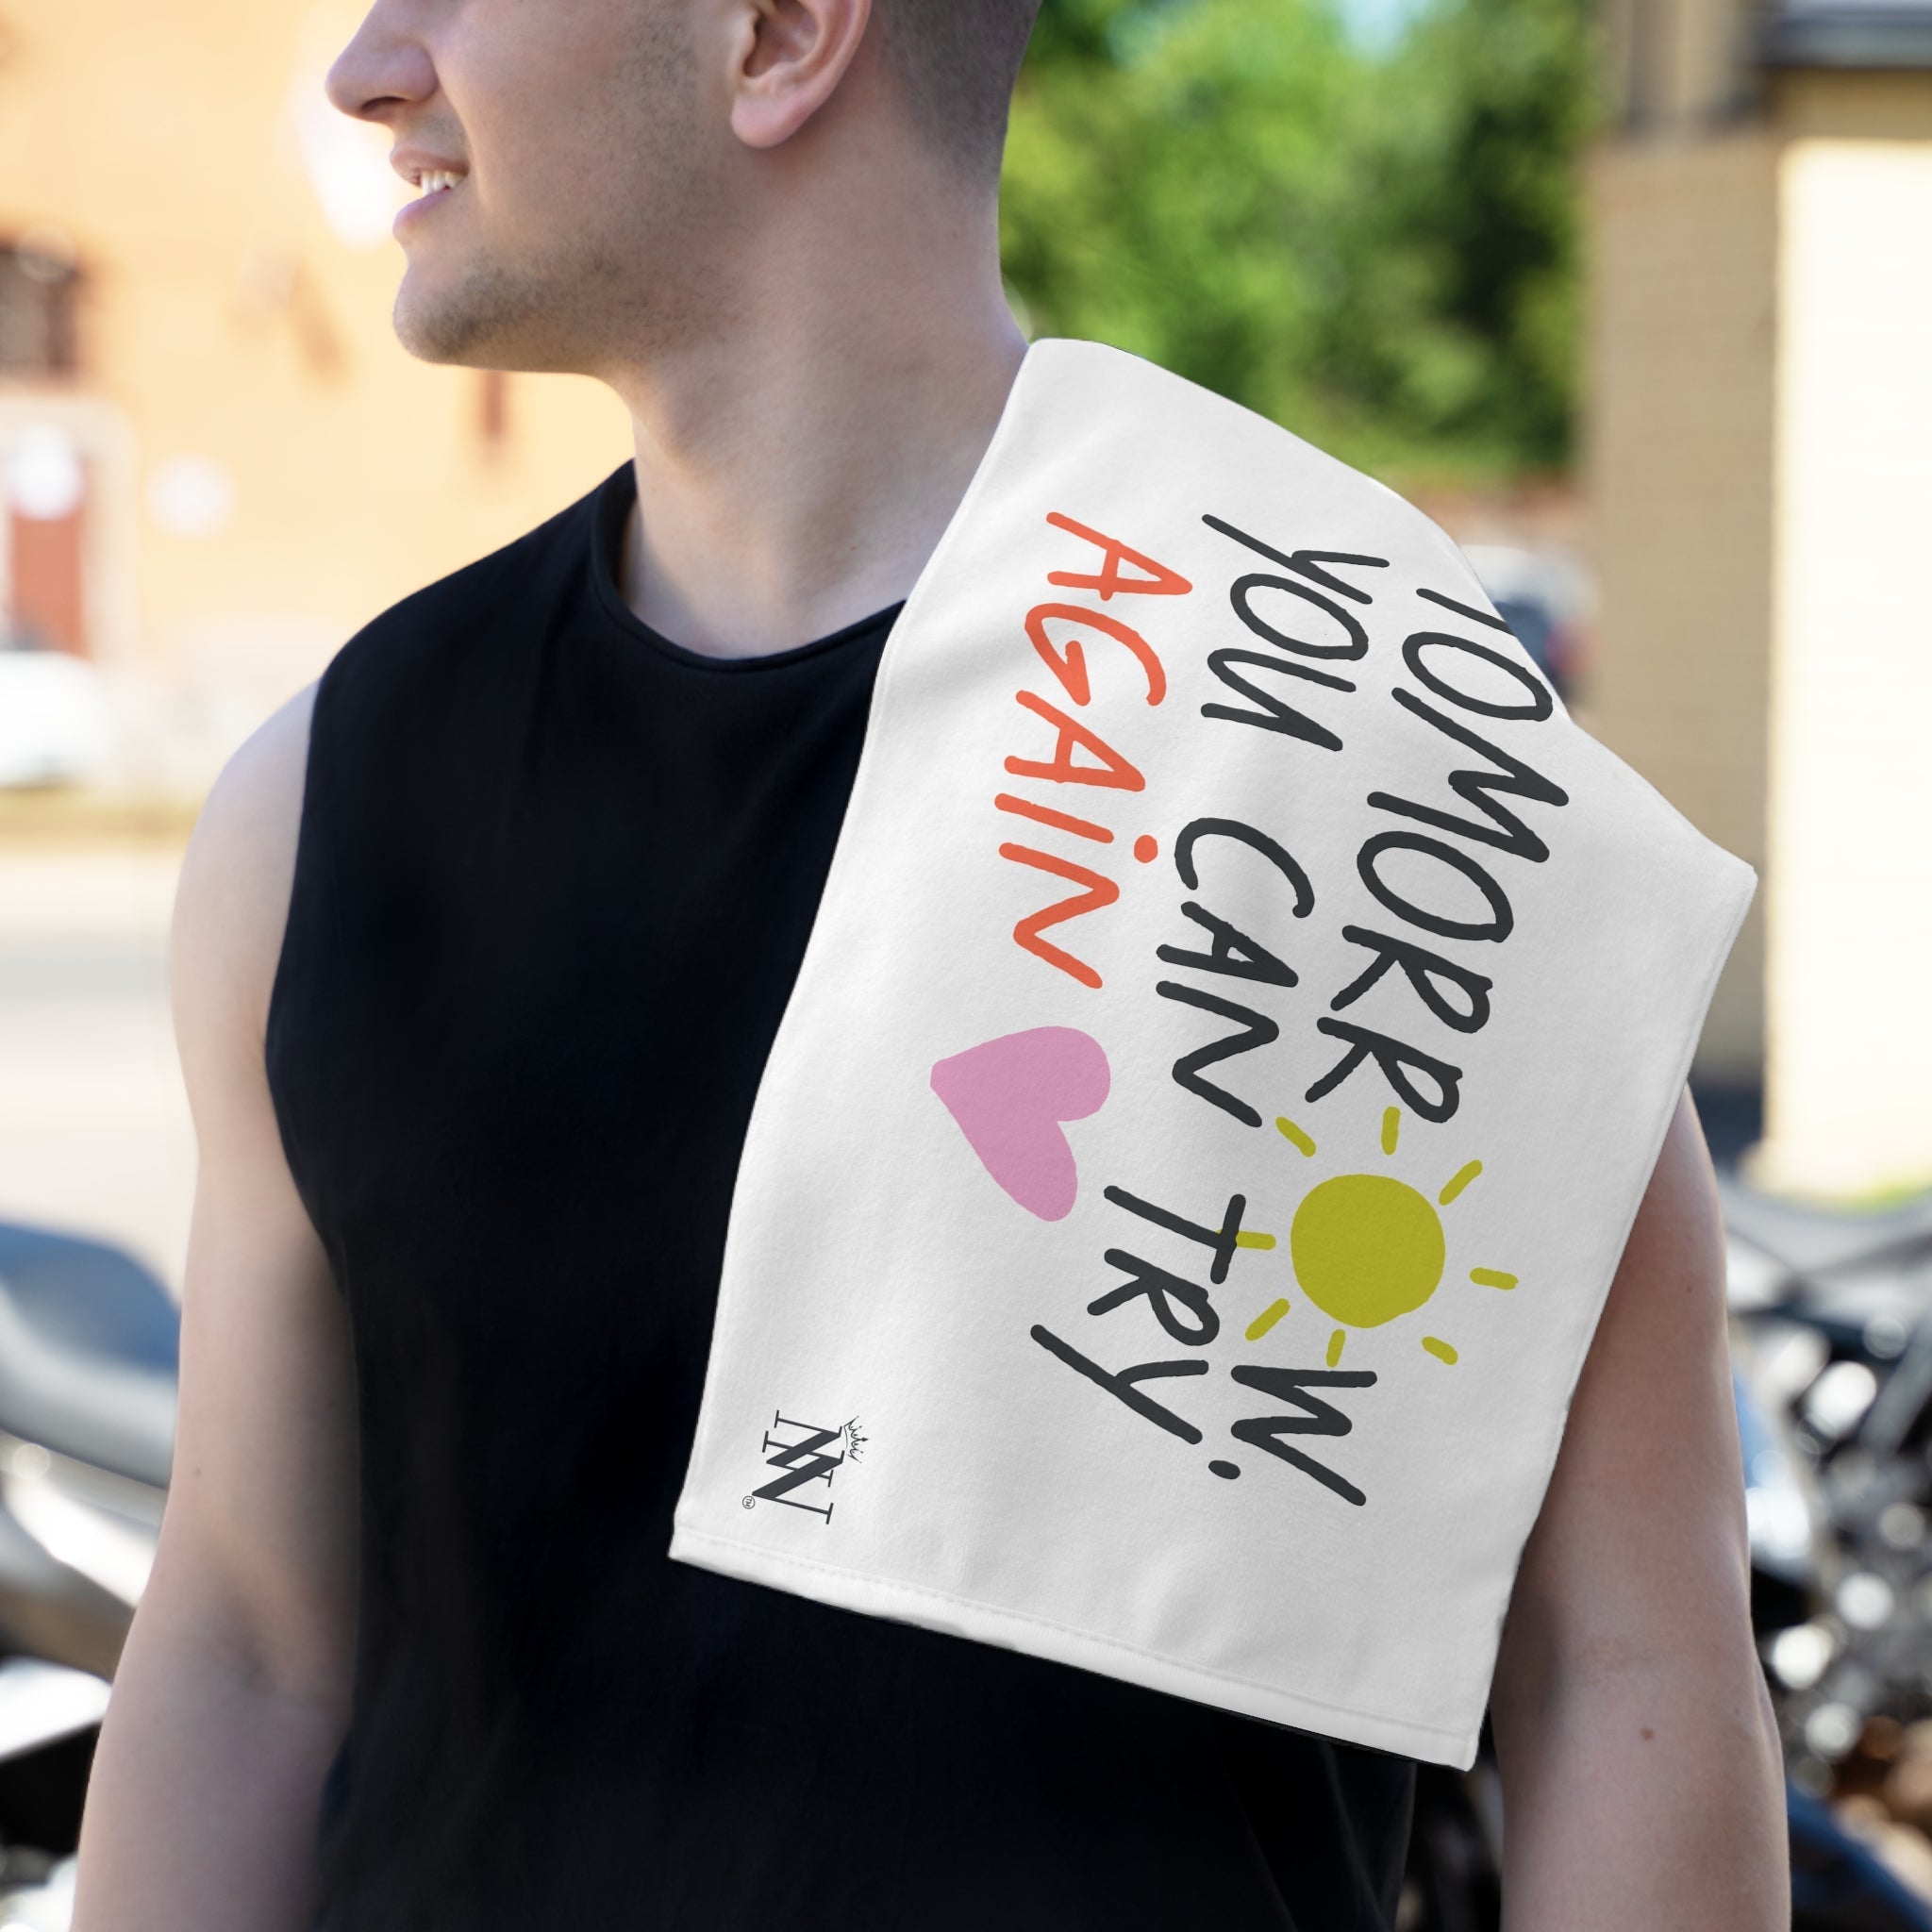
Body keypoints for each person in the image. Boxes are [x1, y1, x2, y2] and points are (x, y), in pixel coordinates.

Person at [71, 0, 1789, 1925]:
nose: (371, 65)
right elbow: (245, 1650)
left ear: (779, 35)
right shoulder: (327, 803)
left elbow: (1620, 1673)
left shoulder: (1370, 751)